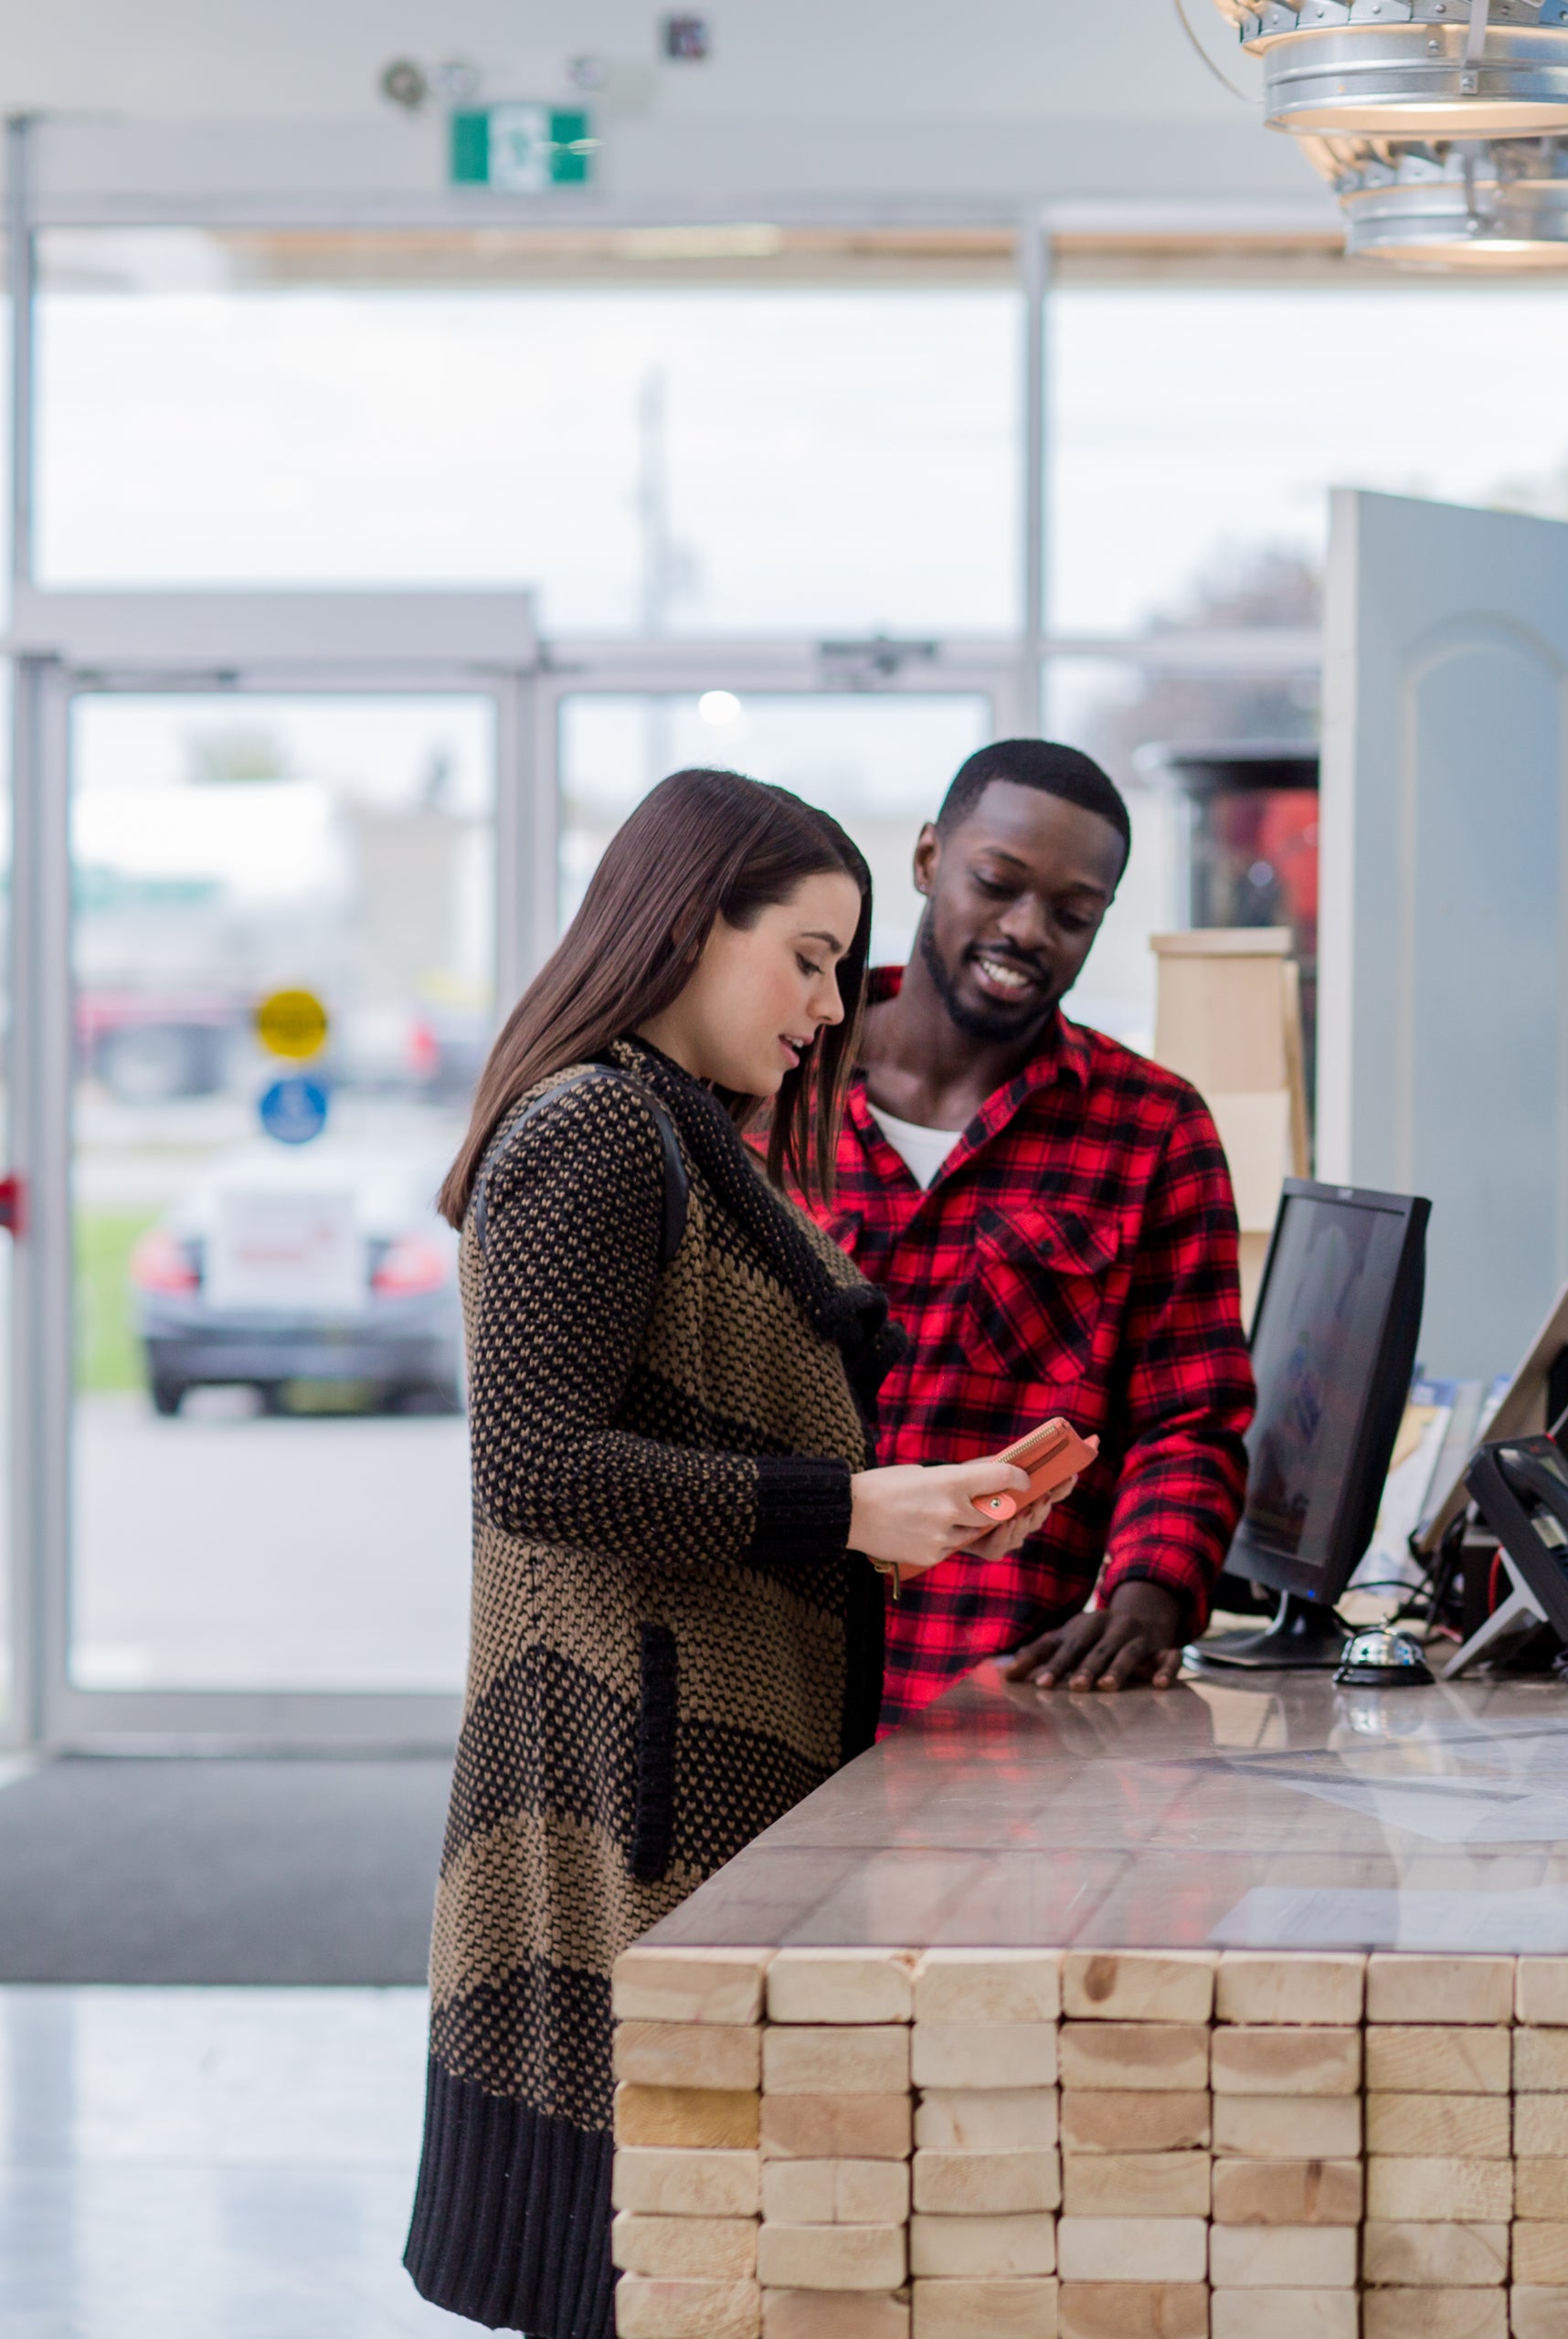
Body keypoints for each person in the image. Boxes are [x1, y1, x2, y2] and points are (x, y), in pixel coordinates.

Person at [406, 768, 1061, 2339]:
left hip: (676, 1772)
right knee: (637, 2270)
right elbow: (538, 1466)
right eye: (812, 957)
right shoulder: (601, 1133)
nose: (835, 1009)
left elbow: (673, 1448)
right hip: (625, 1797)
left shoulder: (681, 1132)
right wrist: (846, 1510)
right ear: (694, 928)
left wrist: (890, 1522)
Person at [820, 738, 1254, 1725]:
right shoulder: (779, 1078)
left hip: (997, 1714)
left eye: (1072, 914)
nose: (1026, 931)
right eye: (997, 883)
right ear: (930, 860)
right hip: (759, 1687)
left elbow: (1191, 1417)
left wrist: (1149, 1597)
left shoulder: (1152, 1129)